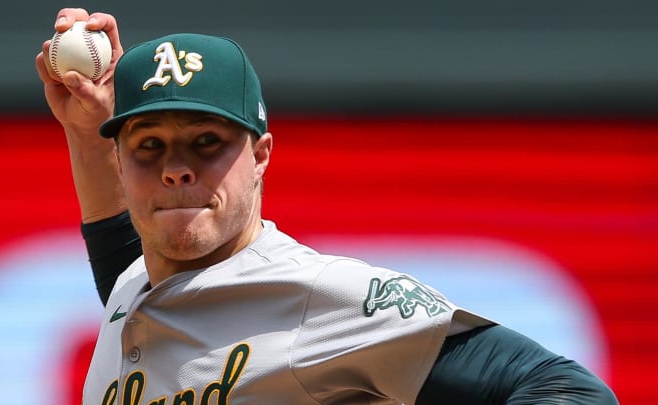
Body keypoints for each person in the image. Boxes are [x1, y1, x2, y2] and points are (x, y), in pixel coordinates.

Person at [36, 8, 619, 404]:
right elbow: (121, 258)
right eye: (149, 147)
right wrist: (87, 131)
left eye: (206, 141)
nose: (175, 168)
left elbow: (563, 386)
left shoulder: (319, 294)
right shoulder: (140, 283)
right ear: (121, 162)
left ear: (260, 155)